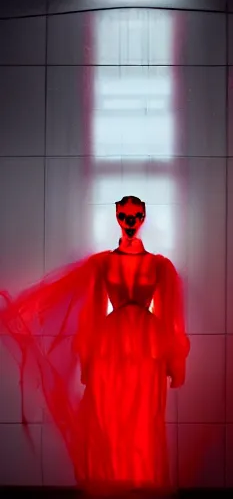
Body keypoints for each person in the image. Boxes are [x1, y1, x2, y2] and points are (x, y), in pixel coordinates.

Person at [0, 196, 189, 495]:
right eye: (124, 215)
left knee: (145, 416)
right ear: (117, 217)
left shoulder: (161, 266)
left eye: (135, 216)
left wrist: (175, 362)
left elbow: (171, 319)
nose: (129, 222)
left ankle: (142, 482)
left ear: (143, 219)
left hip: (147, 348)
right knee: (109, 415)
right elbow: (91, 313)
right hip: (110, 345)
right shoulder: (101, 264)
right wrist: (87, 363)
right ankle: (113, 480)